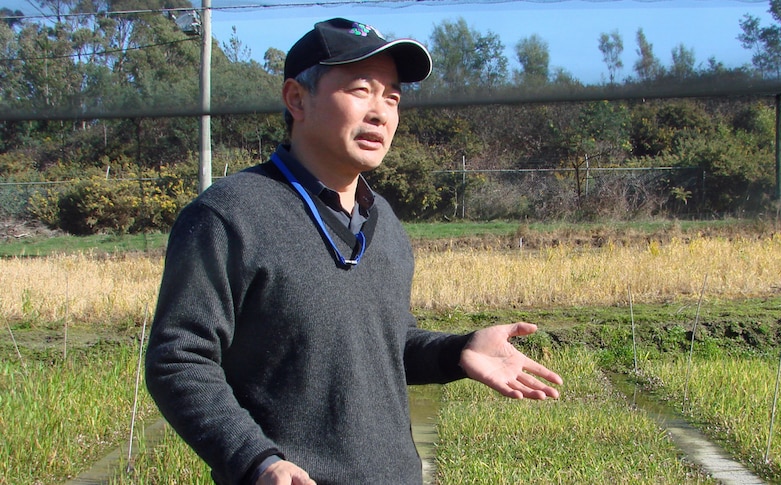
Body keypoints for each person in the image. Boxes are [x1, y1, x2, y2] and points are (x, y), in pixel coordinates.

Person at [145, 17, 562, 485]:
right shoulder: (230, 214)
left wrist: (457, 351)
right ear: (296, 99)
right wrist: (256, 460)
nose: (381, 113)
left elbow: (384, 345)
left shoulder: (383, 222)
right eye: (361, 90)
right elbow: (179, 358)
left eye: (392, 96)